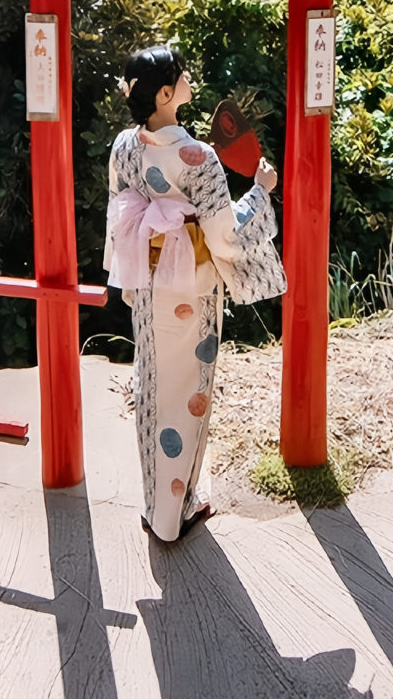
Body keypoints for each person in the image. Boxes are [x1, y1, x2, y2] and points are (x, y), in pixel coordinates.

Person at [104, 44, 286, 542]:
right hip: (193, 285)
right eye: (179, 76)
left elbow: (120, 209)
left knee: (152, 385)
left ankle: (153, 504)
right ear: (165, 94)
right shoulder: (198, 157)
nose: (187, 80)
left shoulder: (123, 145)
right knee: (188, 393)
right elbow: (224, 235)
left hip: (146, 279)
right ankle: (173, 514)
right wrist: (261, 190)